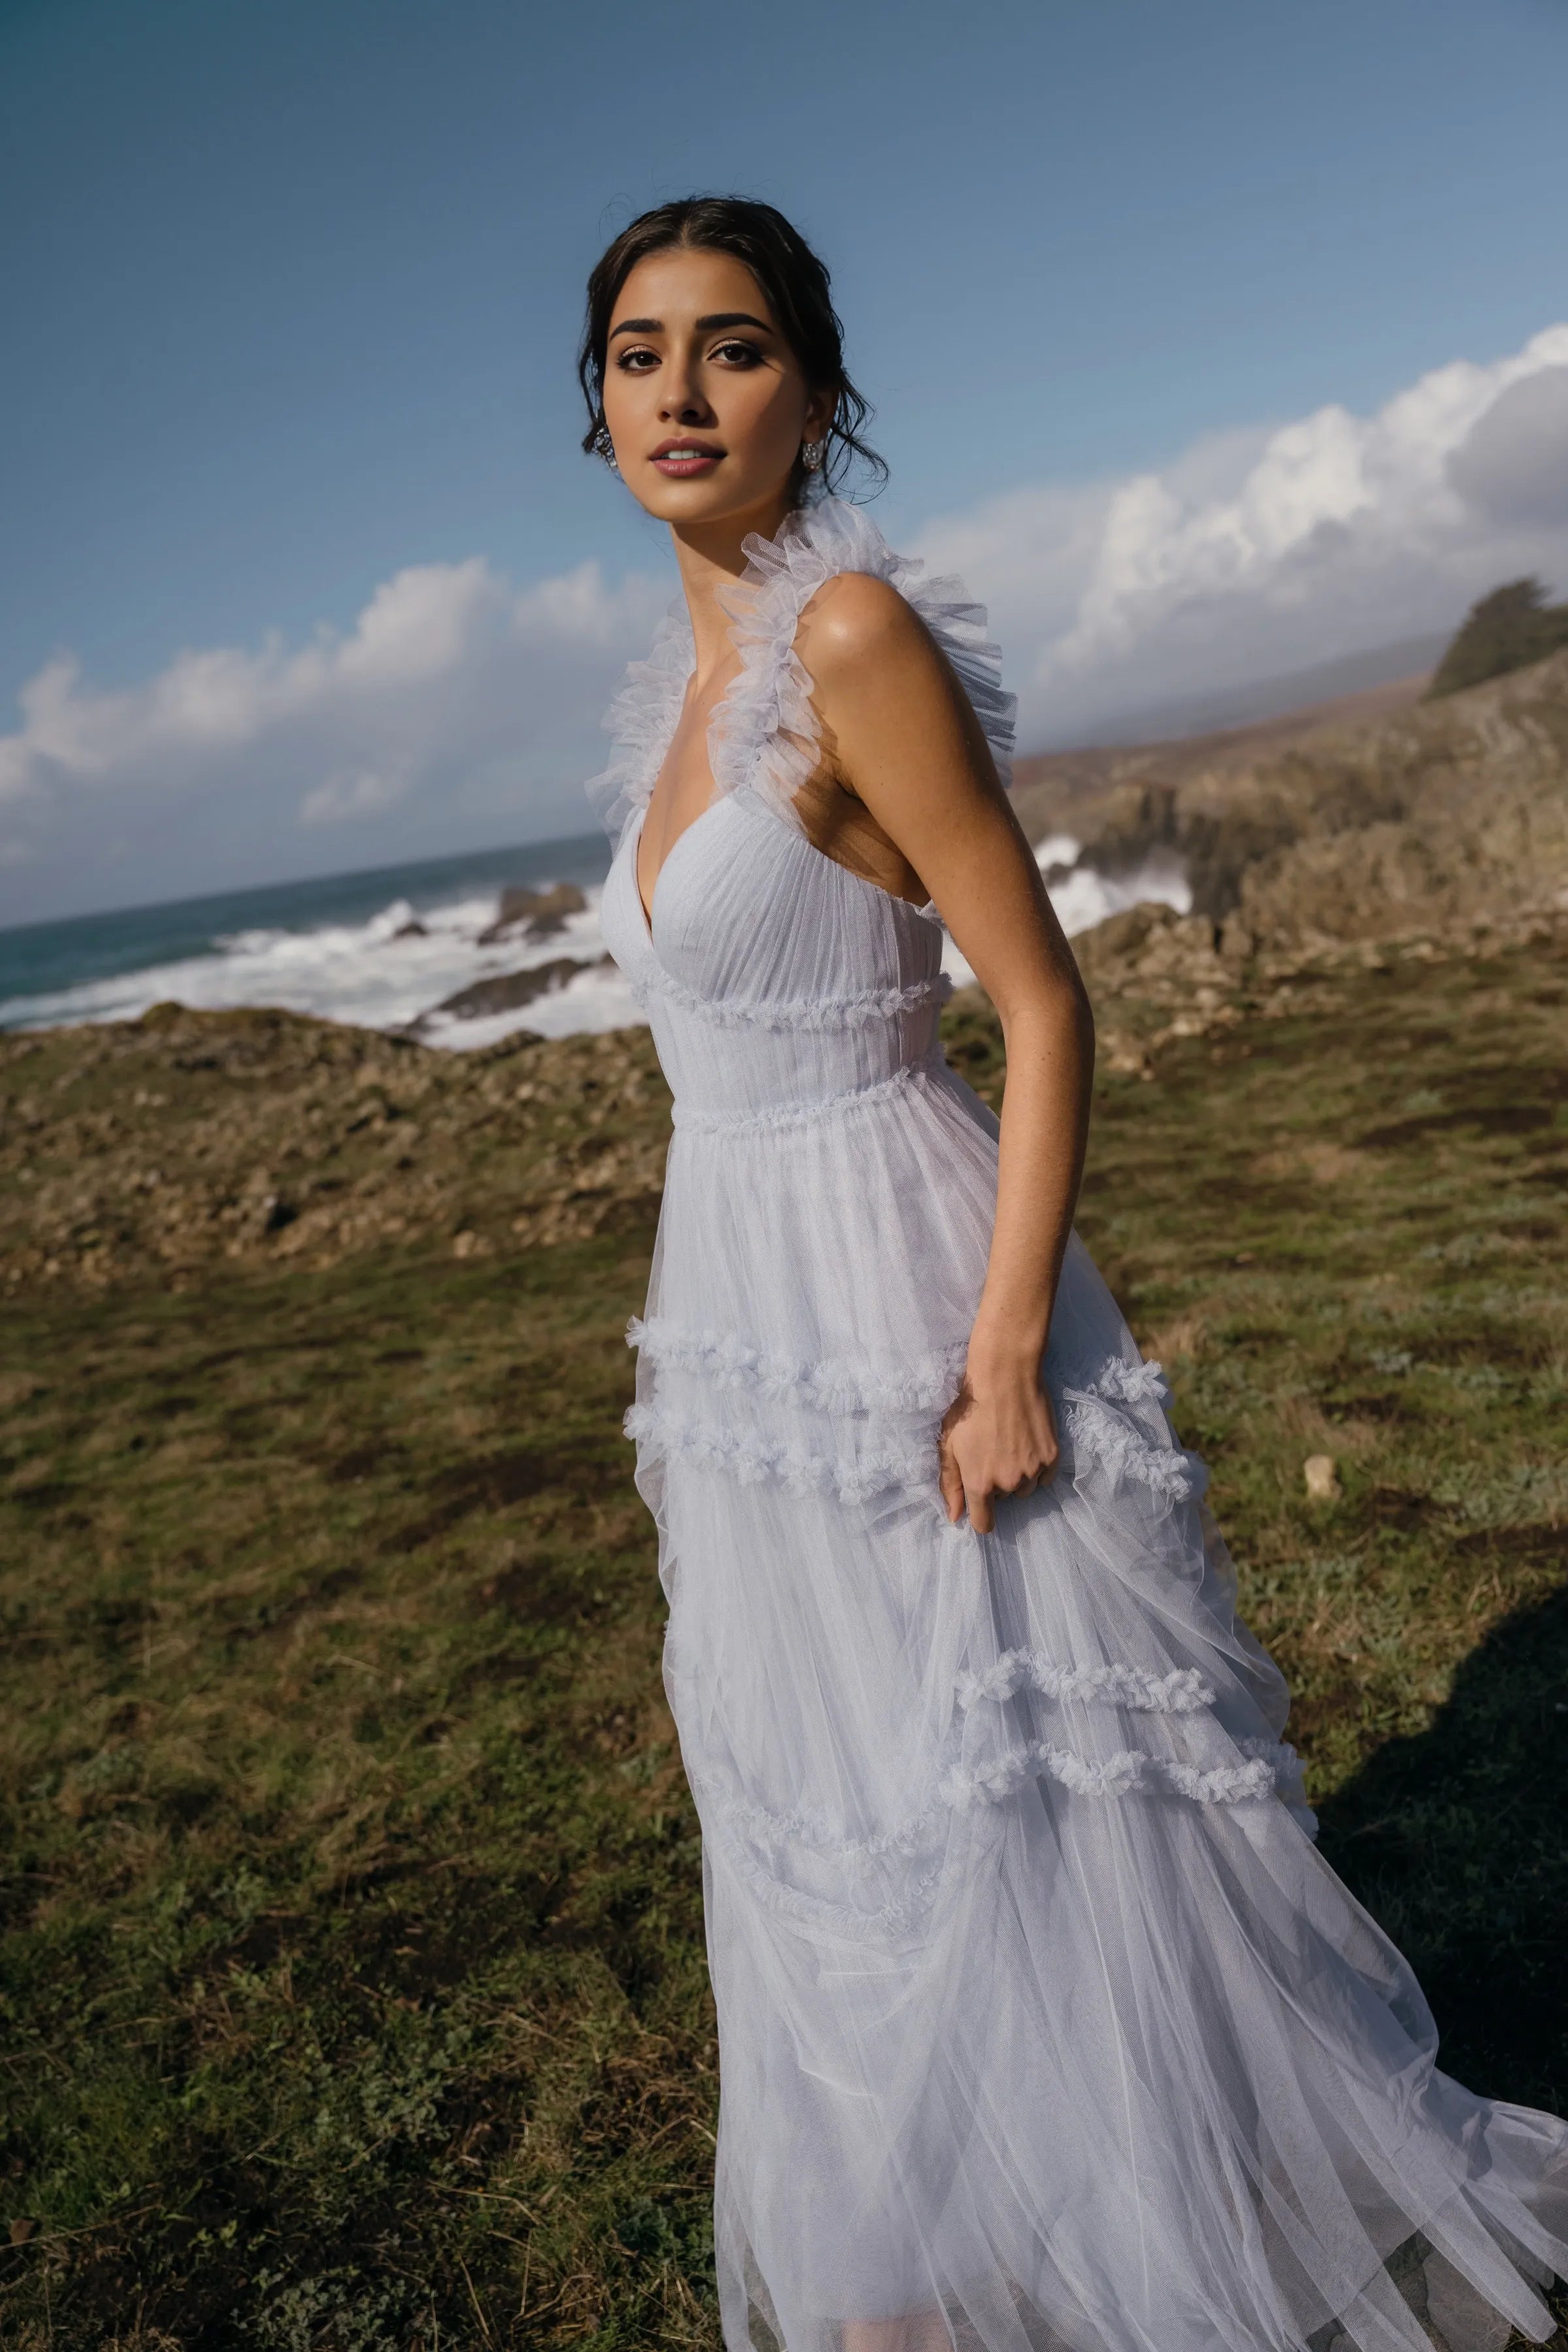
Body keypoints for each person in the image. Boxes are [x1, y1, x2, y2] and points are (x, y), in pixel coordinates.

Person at [577, 194, 1568, 2352]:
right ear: (597, 404)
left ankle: (1098, 2232)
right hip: (737, 1309)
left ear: (814, 391)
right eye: (639, 352)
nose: (681, 391)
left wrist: (1006, 1348)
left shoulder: (852, 639)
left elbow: (1038, 998)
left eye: (733, 347)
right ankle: (913, 2274)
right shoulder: (675, 694)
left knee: (999, 1778)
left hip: (903, 1281)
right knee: (830, 1786)